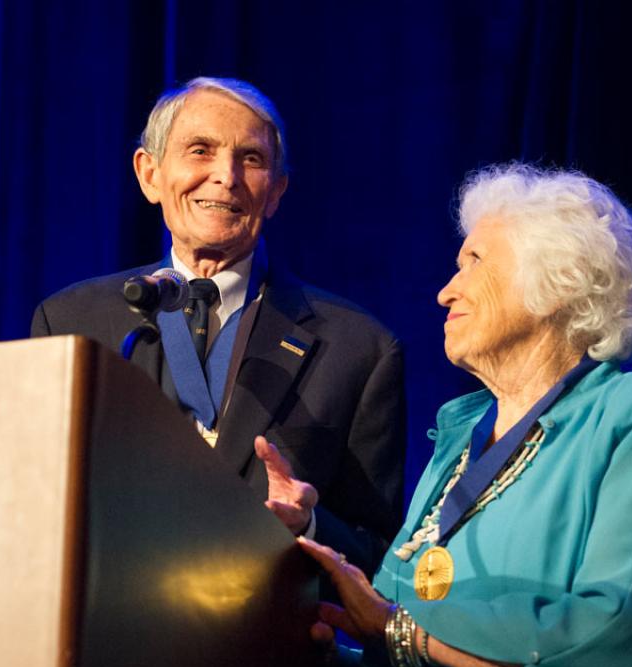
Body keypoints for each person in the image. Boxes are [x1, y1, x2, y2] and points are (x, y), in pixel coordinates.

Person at [293, 163, 632, 667]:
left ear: (557, 282)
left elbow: (618, 643)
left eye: (474, 261)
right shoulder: (460, 437)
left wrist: (405, 633)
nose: (445, 292)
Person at [31, 77, 405, 576]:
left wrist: (309, 524)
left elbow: (381, 559)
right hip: (104, 611)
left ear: (276, 192)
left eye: (251, 159)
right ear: (150, 174)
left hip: (262, 618)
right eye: (200, 150)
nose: (226, 176)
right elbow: (32, 502)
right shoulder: (71, 322)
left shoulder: (358, 349)